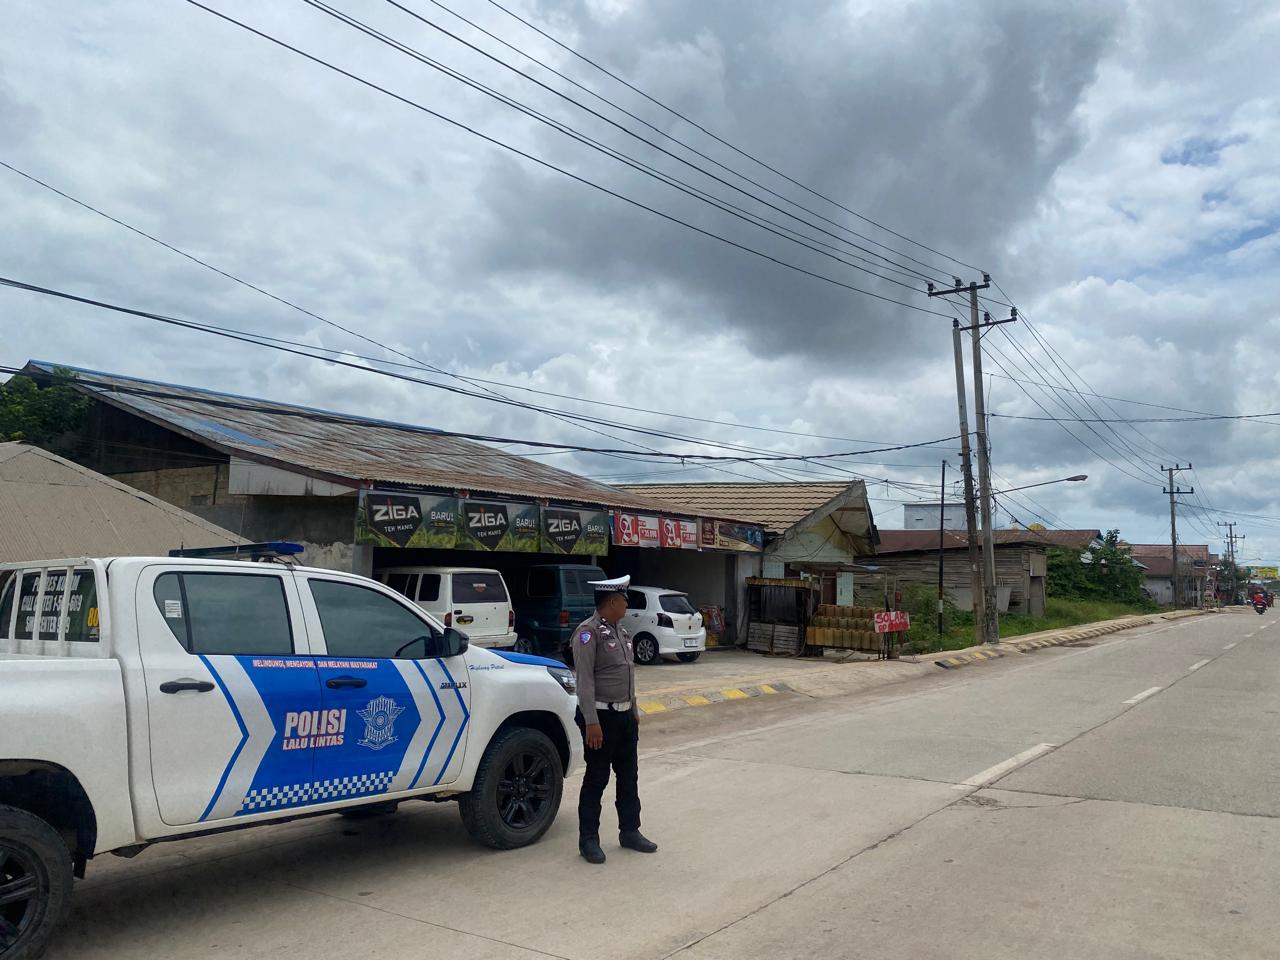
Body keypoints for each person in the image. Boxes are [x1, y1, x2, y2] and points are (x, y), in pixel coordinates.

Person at [570, 574, 658, 864]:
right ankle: (588, 840)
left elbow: (627, 673)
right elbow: (584, 681)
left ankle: (630, 831)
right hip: (601, 718)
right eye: (624, 600)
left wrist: (634, 710)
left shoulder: (622, 632)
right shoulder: (588, 633)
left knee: (628, 775)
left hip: (624, 717)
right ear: (611, 602)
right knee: (597, 778)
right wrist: (591, 721)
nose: (626, 605)